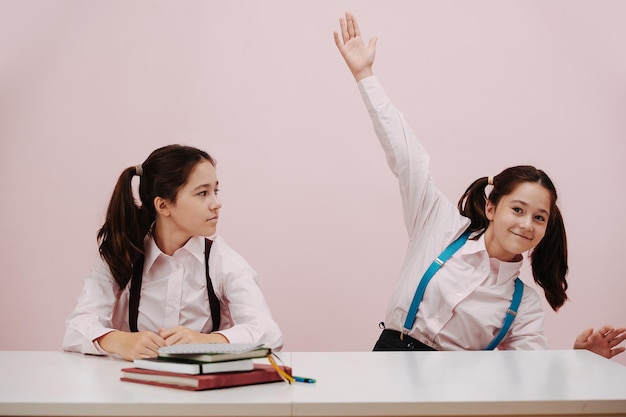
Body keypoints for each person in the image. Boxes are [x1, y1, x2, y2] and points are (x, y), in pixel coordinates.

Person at [333, 12, 625, 358]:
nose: (526, 224)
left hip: (455, 396)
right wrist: (365, 75)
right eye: (518, 209)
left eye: (539, 217)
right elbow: (406, 154)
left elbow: (531, 376)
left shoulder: (523, 305)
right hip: (386, 365)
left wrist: (579, 361)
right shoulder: (439, 225)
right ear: (491, 207)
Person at [63, 145, 283, 361]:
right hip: (129, 389)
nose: (217, 204)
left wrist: (208, 341)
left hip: (203, 391)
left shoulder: (222, 260)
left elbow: (268, 332)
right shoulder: (123, 253)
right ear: (163, 205)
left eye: (215, 191)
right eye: (202, 193)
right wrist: (119, 341)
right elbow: (76, 328)